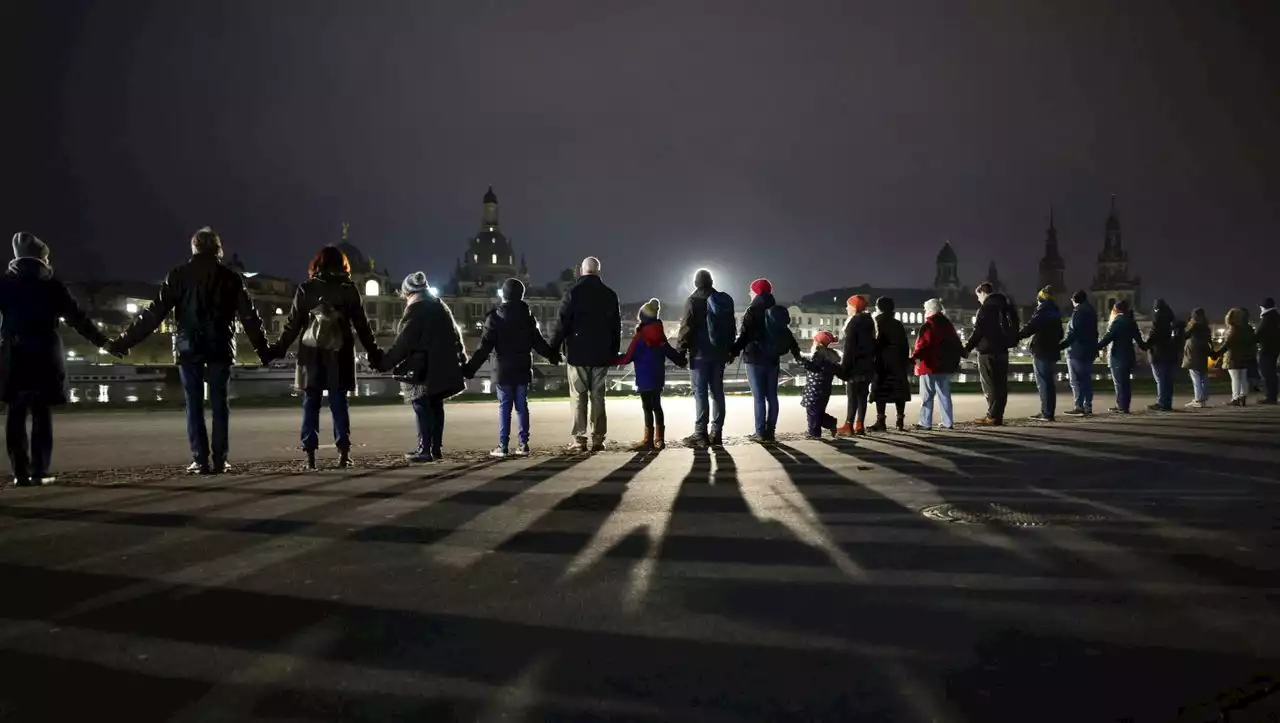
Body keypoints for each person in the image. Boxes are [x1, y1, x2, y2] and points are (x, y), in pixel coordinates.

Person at [110, 227, 269, 474]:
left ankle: (200, 458)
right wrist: (263, 349)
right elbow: (249, 316)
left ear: (194, 248)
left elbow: (154, 314)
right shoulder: (230, 277)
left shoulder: (178, 275)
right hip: (220, 345)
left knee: (193, 403)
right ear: (218, 249)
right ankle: (220, 459)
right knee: (219, 404)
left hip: (188, 346)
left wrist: (124, 342)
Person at [0, 233, 114, 486]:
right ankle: (39, 470)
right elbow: (77, 318)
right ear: (42, 258)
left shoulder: (4, 284)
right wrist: (103, 342)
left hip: (14, 353)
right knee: (42, 413)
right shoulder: (52, 285)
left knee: (15, 413)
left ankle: (20, 473)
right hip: (44, 353)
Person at [268, 246, 381, 470]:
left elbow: (292, 325)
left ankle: (309, 456)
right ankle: (343, 453)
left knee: (311, 403)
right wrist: (375, 353)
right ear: (343, 265)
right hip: (340, 352)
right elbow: (362, 326)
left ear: (317, 264)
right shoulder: (349, 289)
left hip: (312, 353)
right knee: (339, 403)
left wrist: (277, 349)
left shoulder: (306, 288)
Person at [462, 278, 559, 458]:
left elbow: (483, 348)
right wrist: (553, 356)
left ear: (504, 295)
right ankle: (523, 444)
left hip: (503, 369)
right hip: (522, 367)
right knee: (522, 407)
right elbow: (538, 343)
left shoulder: (495, 317)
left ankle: (503, 445)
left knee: (504, 407)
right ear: (521, 295)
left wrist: (469, 369)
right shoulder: (528, 317)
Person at [376, 272, 467, 461]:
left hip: (423, 367)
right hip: (444, 364)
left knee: (421, 405)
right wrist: (462, 357)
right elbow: (456, 333)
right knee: (436, 405)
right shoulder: (440, 306)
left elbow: (405, 343)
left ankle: (424, 449)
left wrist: (385, 363)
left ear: (408, 292)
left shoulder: (415, 310)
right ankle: (435, 448)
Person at [548, 256, 621, 453]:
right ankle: (598, 437)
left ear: (582, 270)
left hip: (577, 353)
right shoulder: (610, 295)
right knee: (598, 396)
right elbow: (616, 327)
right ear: (598, 271)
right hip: (601, 353)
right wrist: (614, 351)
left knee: (579, 397)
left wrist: (552, 349)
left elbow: (561, 324)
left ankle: (579, 439)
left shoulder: (572, 292)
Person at [730, 278, 801, 443]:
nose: (749, 293)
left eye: (751, 290)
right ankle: (771, 431)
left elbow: (745, 336)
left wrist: (733, 351)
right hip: (773, 359)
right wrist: (797, 353)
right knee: (772, 396)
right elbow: (787, 334)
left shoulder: (753, 310)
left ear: (757, 291)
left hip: (754, 358)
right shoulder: (776, 310)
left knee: (759, 397)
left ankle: (760, 432)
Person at [615, 299, 686, 451]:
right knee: (657, 406)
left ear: (642, 318)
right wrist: (681, 360)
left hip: (644, 377)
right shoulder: (660, 335)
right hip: (658, 376)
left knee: (647, 408)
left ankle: (648, 440)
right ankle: (659, 439)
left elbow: (628, 357)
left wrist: (611, 359)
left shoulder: (639, 337)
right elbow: (670, 352)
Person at [675, 268, 732, 448]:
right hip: (720, 353)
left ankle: (700, 434)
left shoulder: (693, 300)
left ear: (696, 283)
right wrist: (730, 350)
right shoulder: (722, 300)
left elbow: (686, 328)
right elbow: (731, 327)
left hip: (699, 355)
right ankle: (717, 433)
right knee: (717, 393)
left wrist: (680, 351)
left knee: (700, 394)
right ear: (711, 281)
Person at [961, 281, 1018, 425]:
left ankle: (992, 416)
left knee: (990, 384)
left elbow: (978, 331)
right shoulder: (1007, 306)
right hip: (1003, 350)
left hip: (987, 351)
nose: (978, 300)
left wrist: (967, 348)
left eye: (978, 296)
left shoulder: (985, 308)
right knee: (1001, 384)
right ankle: (997, 415)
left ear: (983, 292)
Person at [912, 298, 961, 430]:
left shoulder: (928, 325)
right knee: (944, 394)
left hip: (929, 365)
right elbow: (956, 342)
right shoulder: (947, 324)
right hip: (945, 365)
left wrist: (913, 357)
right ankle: (948, 422)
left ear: (930, 310)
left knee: (927, 395)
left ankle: (925, 422)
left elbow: (922, 345)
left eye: (925, 309)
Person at [1017, 286, 1064, 422]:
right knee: (1049, 382)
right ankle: (1049, 411)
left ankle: (1046, 413)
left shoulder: (1043, 310)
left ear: (1041, 298)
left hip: (1042, 349)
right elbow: (1060, 333)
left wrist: (1017, 336)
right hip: (1052, 350)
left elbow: (1031, 327)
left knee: (1043, 382)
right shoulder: (1055, 311)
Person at [869, 296, 912, 431]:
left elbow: (874, 343)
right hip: (897, 362)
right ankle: (900, 421)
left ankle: (881, 421)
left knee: (881, 392)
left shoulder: (876, 322)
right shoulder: (898, 324)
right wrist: (905, 361)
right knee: (899, 391)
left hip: (881, 363)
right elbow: (905, 345)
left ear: (879, 308)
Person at [1095, 300, 1143, 414]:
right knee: (1125, 382)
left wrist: (1096, 347)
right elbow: (1139, 339)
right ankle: (1124, 405)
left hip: (1118, 356)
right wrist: (1146, 346)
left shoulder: (1117, 321)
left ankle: (1121, 406)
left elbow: (1108, 337)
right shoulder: (1131, 321)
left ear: (1116, 310)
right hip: (1128, 355)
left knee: (1119, 382)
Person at [836, 295, 875, 436]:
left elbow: (849, 349)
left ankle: (848, 425)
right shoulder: (869, 322)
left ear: (853, 307)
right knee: (862, 396)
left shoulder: (853, 323)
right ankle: (860, 424)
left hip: (855, 366)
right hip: (867, 366)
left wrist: (844, 368)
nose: (846, 308)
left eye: (848, 305)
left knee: (852, 396)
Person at [1059, 290, 1098, 416]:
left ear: (1075, 300)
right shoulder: (1091, 312)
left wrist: (1062, 345)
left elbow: (1073, 332)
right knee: (1086, 379)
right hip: (1089, 350)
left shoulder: (1079, 312)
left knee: (1076, 380)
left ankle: (1080, 406)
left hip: (1077, 350)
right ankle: (1088, 406)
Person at [799, 330, 842, 438]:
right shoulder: (829, 357)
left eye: (814, 341)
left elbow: (814, 367)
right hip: (824, 389)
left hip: (814, 389)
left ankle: (814, 433)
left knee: (812, 412)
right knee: (818, 411)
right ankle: (830, 423)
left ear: (818, 343)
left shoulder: (819, 354)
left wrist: (802, 361)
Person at [1144, 298, 1183, 411]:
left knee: (1160, 379)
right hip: (1171, 351)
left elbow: (1154, 333)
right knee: (1167, 379)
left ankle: (1161, 403)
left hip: (1159, 351)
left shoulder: (1158, 317)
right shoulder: (1172, 318)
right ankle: (1167, 402)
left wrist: (1146, 344)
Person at [1213, 308, 1256, 407]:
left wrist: (1217, 353)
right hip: (1244, 356)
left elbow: (1227, 344)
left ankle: (1236, 398)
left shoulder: (1233, 329)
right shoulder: (1247, 329)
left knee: (1235, 378)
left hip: (1233, 357)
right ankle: (1243, 396)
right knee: (1243, 377)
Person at [1181, 307, 1213, 408]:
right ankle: (1203, 397)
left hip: (1193, 354)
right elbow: (1209, 341)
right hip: (1202, 354)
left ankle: (1198, 399)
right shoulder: (1206, 327)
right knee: (1203, 376)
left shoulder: (1194, 325)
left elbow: (1185, 334)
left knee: (1196, 378)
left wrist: (1189, 325)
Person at [1257, 297, 1280, 405]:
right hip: (1275, 348)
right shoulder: (1276, 316)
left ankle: (1270, 396)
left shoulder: (1267, 317)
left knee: (1267, 372)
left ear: (1263, 307)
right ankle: (1273, 395)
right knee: (1272, 373)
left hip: (1267, 349)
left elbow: (1259, 333)